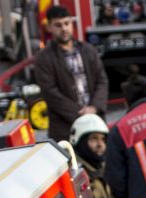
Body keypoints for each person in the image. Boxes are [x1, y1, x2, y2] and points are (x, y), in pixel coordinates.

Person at [33, 5, 108, 143]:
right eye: (58, 25)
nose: (64, 28)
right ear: (49, 27)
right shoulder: (43, 58)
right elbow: (50, 92)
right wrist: (80, 113)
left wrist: (94, 107)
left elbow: (102, 80)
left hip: (95, 124)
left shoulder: (88, 50)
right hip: (65, 130)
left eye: (67, 23)